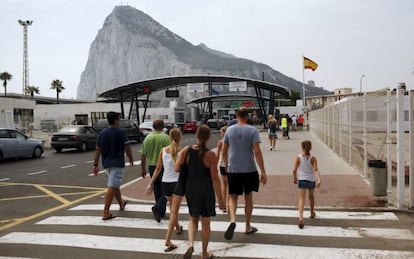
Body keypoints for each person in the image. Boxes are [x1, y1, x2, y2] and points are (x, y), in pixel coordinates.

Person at [175, 125, 225, 259]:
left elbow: (176, 168)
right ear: (209, 137)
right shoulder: (211, 155)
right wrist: (220, 199)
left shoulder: (187, 150)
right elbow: (215, 178)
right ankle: (204, 253)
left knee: (193, 218)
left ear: (196, 136)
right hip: (206, 189)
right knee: (206, 222)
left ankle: (191, 244)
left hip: (191, 188)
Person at [222, 107, 267, 241]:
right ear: (247, 116)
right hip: (249, 168)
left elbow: (224, 151)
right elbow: (257, 152)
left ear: (236, 116)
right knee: (248, 197)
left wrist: (226, 164)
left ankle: (233, 220)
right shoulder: (252, 130)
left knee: (232, 196)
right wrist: (263, 171)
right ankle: (247, 225)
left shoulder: (229, 130)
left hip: (233, 168)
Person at [146, 128, 183, 252]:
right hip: (177, 183)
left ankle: (178, 227)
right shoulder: (181, 152)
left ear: (169, 137)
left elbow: (157, 169)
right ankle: (168, 240)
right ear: (180, 138)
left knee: (172, 208)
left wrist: (151, 183)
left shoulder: (163, 151)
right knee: (174, 211)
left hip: (165, 183)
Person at [92, 111, 133, 220]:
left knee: (115, 185)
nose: (119, 121)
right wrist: (131, 159)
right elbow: (127, 147)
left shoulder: (102, 133)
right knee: (112, 186)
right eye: (118, 119)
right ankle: (106, 212)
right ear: (115, 120)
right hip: (117, 163)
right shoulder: (121, 132)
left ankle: (121, 203)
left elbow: (98, 150)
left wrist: (95, 164)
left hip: (106, 164)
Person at [141, 119, 170, 222]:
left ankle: (160, 211)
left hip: (152, 166)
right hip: (163, 166)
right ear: (162, 127)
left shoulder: (148, 138)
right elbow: (170, 153)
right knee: (167, 190)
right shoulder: (166, 138)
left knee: (157, 189)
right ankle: (158, 208)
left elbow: (143, 154)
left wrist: (142, 168)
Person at [292, 140, 321, 229]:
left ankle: (301, 218)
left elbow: (294, 170)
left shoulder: (298, 157)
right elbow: (315, 169)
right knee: (311, 197)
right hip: (311, 180)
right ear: (310, 148)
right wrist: (319, 179)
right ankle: (312, 213)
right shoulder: (313, 158)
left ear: (302, 147)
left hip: (302, 180)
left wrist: (295, 178)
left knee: (302, 199)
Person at [216, 125, 229, 212]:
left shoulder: (220, 142)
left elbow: (217, 155)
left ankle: (224, 204)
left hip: (222, 164)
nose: (221, 134)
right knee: (231, 186)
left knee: (224, 184)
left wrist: (214, 166)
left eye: (222, 133)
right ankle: (229, 204)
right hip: (231, 165)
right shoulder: (232, 141)